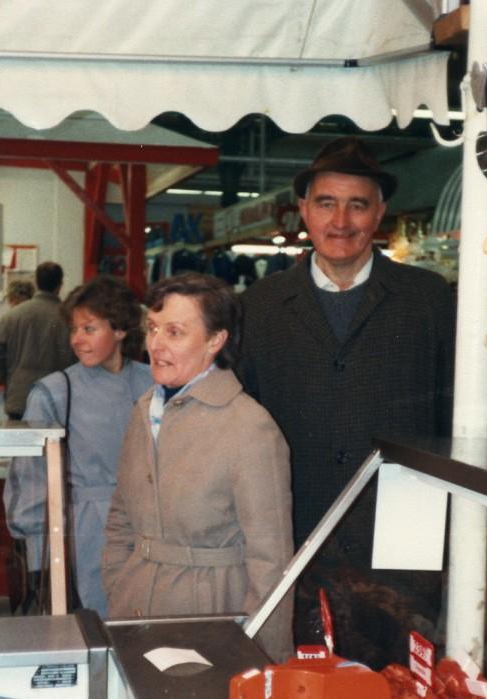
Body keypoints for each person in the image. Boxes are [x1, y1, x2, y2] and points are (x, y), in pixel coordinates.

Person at [237, 136, 456, 669]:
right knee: (305, 673)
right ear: (305, 212)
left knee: (404, 673)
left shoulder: (429, 298)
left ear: (380, 213)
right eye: (327, 203)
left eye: (358, 205)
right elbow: (243, 423)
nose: (342, 220)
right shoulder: (259, 307)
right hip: (295, 526)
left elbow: (458, 415)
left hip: (406, 524)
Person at [102, 272, 294, 661]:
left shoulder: (249, 426)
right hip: (133, 610)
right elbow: (121, 515)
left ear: (215, 340)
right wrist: (118, 582)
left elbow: (271, 562)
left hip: (211, 620)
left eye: (174, 332)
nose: (156, 344)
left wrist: (264, 662)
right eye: (153, 328)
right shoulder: (144, 410)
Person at [5, 275, 152, 616]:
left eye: (89, 329)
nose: (77, 340)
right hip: (86, 533)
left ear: (120, 330)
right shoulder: (54, 393)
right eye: (74, 330)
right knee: (95, 625)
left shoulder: (154, 383)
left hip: (152, 529)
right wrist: (40, 554)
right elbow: (29, 479)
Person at [0, 262, 76, 420]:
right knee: (56, 445)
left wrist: (11, 378)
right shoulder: (70, 319)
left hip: (20, 397)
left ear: (36, 282)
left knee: (21, 444)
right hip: (59, 398)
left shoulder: (12, 316)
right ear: (60, 285)